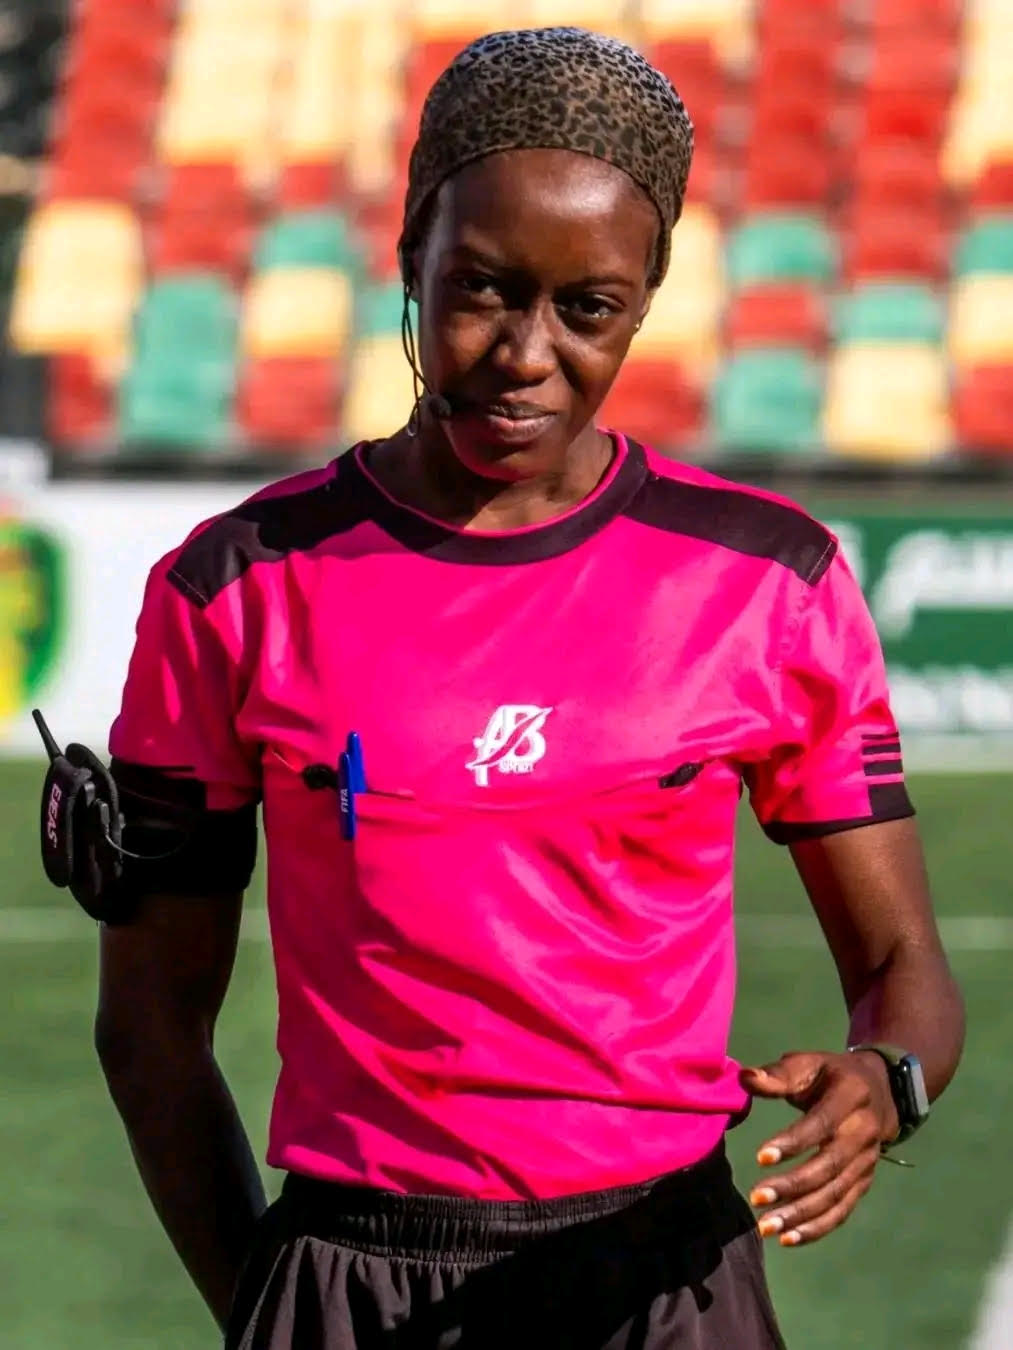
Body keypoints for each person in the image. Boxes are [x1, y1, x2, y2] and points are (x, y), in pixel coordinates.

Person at [92, 27, 964, 1350]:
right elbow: (150, 1025)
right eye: (483, 290)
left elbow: (904, 968)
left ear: (645, 299)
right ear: (411, 261)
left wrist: (886, 1079)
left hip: (661, 1282)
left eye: (586, 308)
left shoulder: (768, 579)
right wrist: (268, 1309)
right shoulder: (233, 586)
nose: (524, 351)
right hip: (351, 1272)